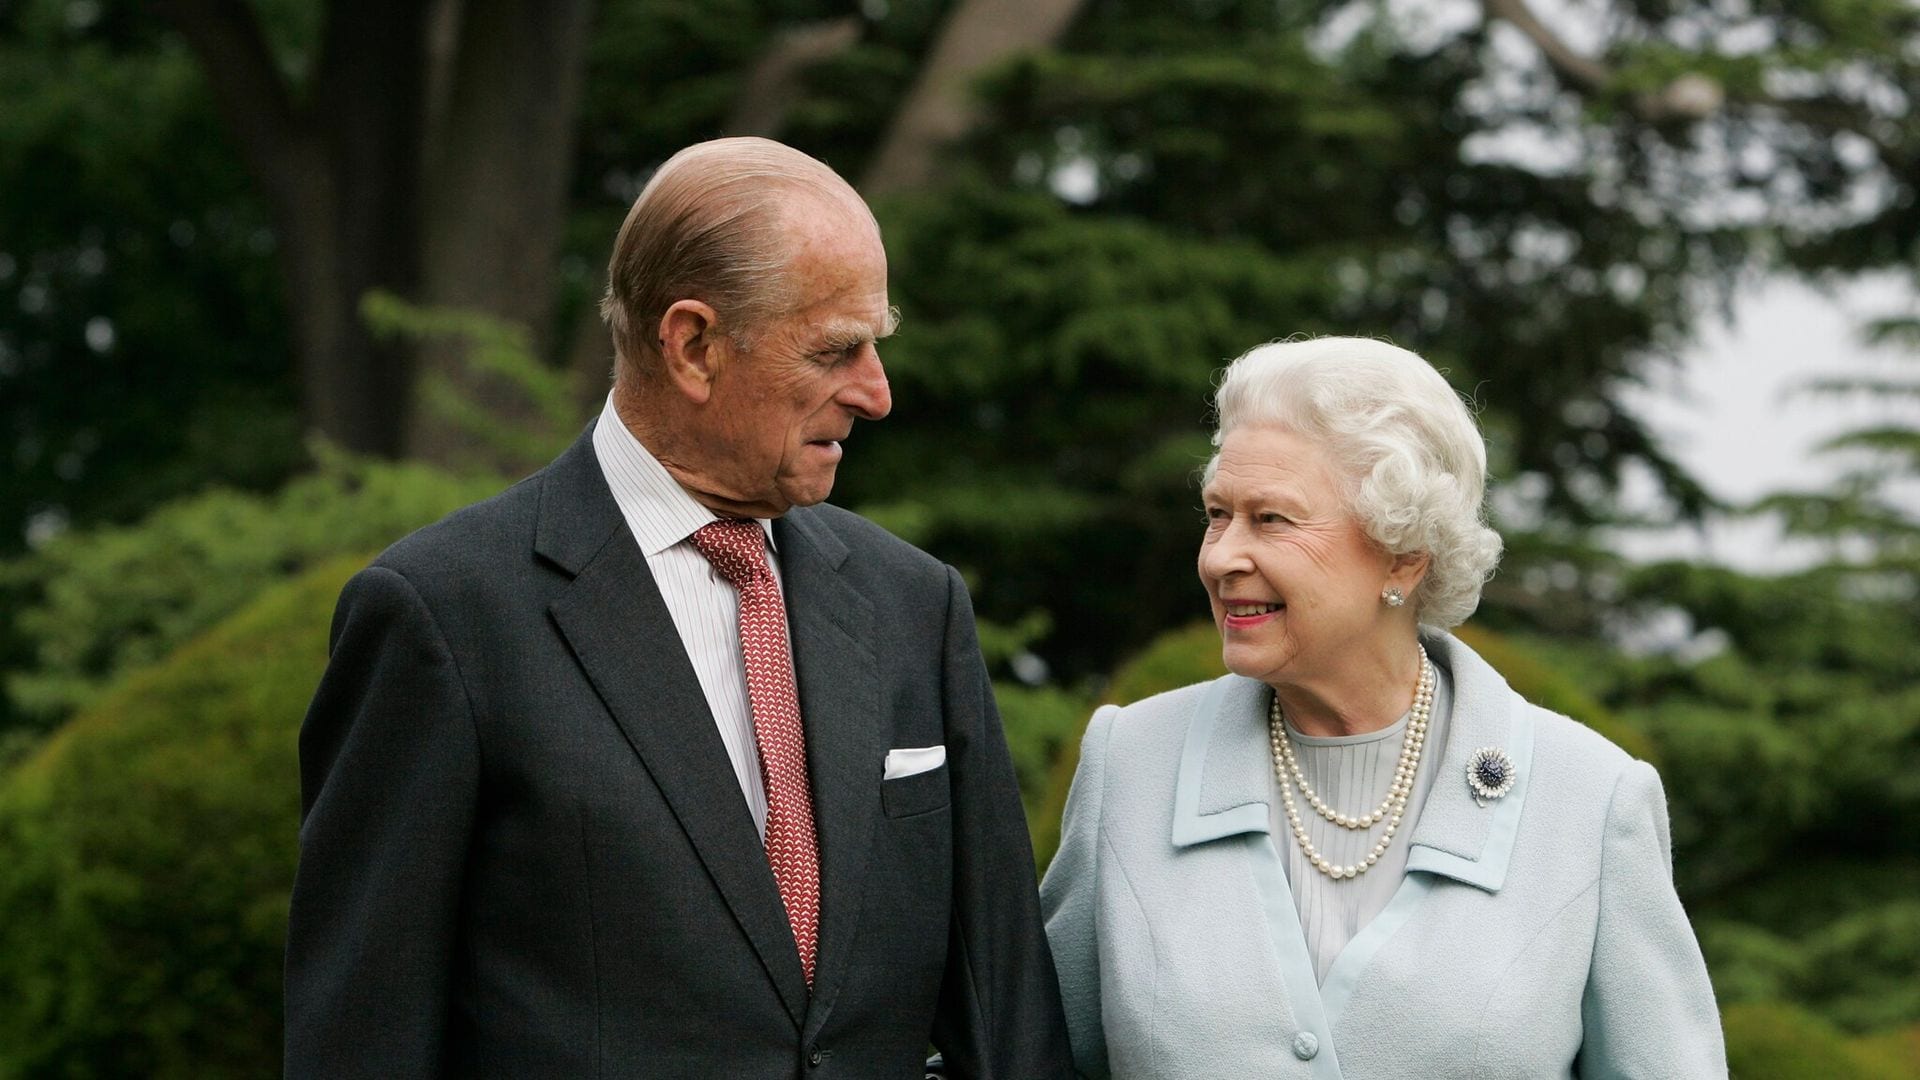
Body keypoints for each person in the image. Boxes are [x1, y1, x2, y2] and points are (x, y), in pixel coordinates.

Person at [285, 137, 1071, 1079]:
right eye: (835, 350)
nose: (876, 393)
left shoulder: (916, 605)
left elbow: (1010, 1022)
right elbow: (360, 1043)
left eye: (876, 345)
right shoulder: (442, 617)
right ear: (693, 345)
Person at [1041, 337, 1726, 1078]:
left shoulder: (1590, 801)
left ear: (1404, 554)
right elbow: (1029, 1057)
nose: (1219, 557)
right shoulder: (1131, 763)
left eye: (1271, 519)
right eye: (1217, 514)